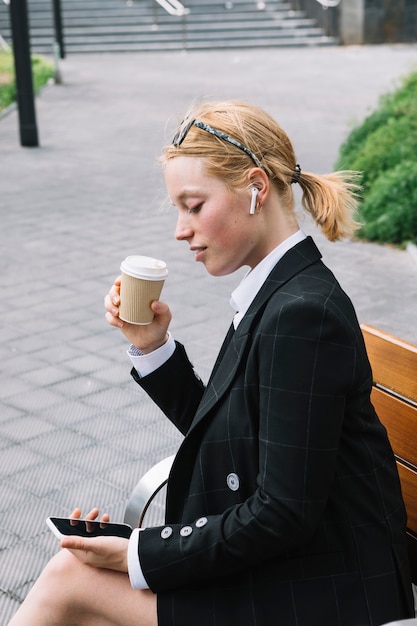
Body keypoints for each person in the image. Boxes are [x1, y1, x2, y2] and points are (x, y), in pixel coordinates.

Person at [9, 100, 414, 626]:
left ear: (255, 188)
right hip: (298, 569)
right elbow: (235, 433)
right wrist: (155, 347)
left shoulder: (303, 314)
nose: (181, 229)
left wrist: (142, 553)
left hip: (323, 593)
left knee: (72, 582)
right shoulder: (279, 291)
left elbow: (282, 513)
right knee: (81, 572)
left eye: (193, 205)